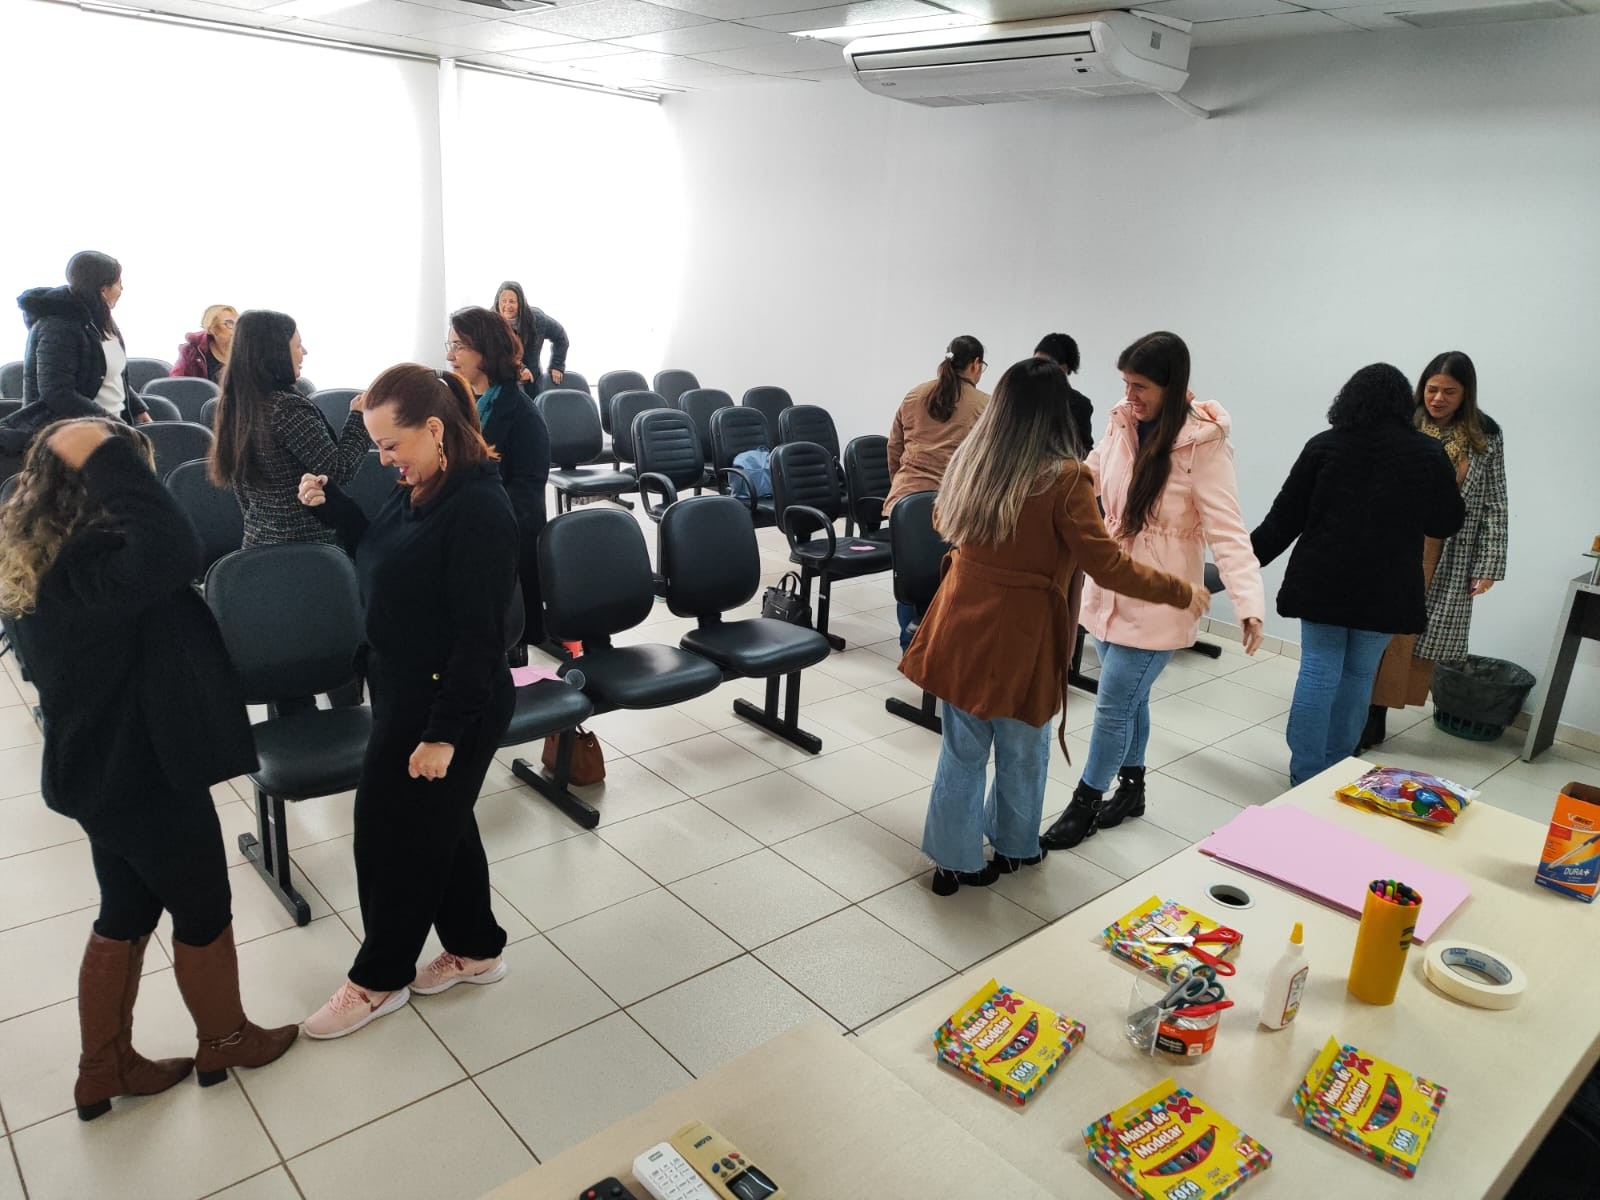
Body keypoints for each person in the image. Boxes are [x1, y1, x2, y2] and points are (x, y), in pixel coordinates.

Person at [0, 418, 297, 1120]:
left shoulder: (44, 556)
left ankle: (103, 1067)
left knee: (127, 909)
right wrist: (109, 454)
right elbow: (174, 544)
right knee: (203, 907)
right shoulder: (95, 565)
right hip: (143, 774)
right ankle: (225, 1039)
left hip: (100, 774)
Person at [900, 359, 1205, 895]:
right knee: (1023, 746)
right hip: (1022, 635)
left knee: (962, 750)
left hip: (960, 621)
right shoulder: (1065, 479)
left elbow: (941, 520)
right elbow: (1108, 566)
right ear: (1057, 411)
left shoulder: (972, 459)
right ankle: (1014, 845)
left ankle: (953, 861)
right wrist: (1179, 590)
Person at [297, 365, 518, 1038]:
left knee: (393, 836)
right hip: (402, 688)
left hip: (447, 700)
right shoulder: (421, 486)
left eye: (391, 444)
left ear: (434, 429)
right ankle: (476, 948)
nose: (384, 458)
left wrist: (443, 734)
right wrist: (335, 508)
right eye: (377, 446)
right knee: (441, 823)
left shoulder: (479, 509)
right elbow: (386, 554)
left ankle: (379, 979)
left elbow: (482, 639)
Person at [1042, 331, 1266, 850]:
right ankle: (1133, 789)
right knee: (1132, 699)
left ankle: (1085, 804)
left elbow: (1228, 530)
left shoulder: (1203, 445)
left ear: (1171, 385)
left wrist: (1248, 603)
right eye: (1126, 382)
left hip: (1162, 596)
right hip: (1112, 585)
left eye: (1140, 385)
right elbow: (1088, 475)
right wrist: (1039, 485)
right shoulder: (1122, 422)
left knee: (1113, 703)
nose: (1130, 394)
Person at [1250, 365, 1465, 785]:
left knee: (1318, 671)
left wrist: (1237, 566)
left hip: (1322, 581)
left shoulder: (1324, 446)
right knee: (1359, 675)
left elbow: (1283, 519)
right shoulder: (1427, 453)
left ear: (1347, 400)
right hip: (1387, 587)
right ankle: (1336, 770)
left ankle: (1304, 774)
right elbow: (1444, 523)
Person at [1361, 350, 1508, 749]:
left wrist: (1489, 565)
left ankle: (1377, 711)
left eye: (1449, 392)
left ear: (1466, 394)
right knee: (1376, 628)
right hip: (1391, 542)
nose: (1438, 399)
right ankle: (1362, 708)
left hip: (1446, 550)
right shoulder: (1401, 423)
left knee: (1411, 637)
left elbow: (1495, 502)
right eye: (1432, 389)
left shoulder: (1485, 436)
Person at [208, 310, 368, 547]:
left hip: (258, 541)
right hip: (306, 546)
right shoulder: (286, 408)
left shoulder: (237, 403)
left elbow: (243, 493)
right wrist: (359, 418)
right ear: (277, 352)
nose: (304, 352)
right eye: (298, 345)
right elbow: (339, 470)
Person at [446, 305, 551, 656]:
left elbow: (526, 497)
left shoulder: (522, 414)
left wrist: (479, 523)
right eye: (450, 345)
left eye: (459, 346)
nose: (450, 356)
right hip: (471, 534)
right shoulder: (472, 404)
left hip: (505, 543)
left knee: (503, 640)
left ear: (486, 350)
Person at [1, 251, 149, 479]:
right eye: (119, 283)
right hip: (67, 439)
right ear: (103, 289)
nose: (122, 289)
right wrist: (110, 421)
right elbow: (57, 393)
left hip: (108, 434)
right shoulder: (57, 325)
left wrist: (138, 410)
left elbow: (110, 374)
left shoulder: (102, 321)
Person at [886, 335, 989, 650]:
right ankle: (937, 649)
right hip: (954, 508)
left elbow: (894, 447)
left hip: (906, 503)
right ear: (975, 364)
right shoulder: (985, 405)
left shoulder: (915, 394)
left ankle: (909, 646)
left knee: (909, 580)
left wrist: (901, 492)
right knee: (948, 578)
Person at [495, 281, 568, 390]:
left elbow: (560, 337)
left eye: (512, 301)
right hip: (502, 377)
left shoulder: (537, 319)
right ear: (498, 302)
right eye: (503, 301)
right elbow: (495, 354)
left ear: (521, 302)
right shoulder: (491, 321)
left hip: (532, 378)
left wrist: (557, 365)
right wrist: (520, 368)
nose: (507, 305)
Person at [1034, 332, 1095, 452]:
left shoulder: (1079, 404)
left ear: (1063, 368)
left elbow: (1083, 449)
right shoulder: (1023, 394)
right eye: (1035, 362)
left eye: (1045, 364)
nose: (1037, 369)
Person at [172, 305, 238, 381]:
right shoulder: (191, 352)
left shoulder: (247, 350)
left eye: (238, 323)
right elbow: (176, 383)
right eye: (229, 323)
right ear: (211, 329)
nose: (236, 328)